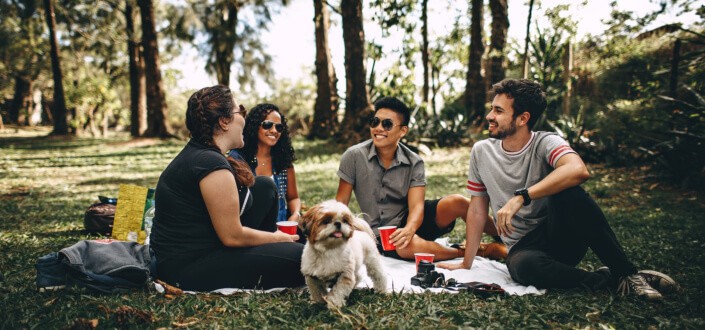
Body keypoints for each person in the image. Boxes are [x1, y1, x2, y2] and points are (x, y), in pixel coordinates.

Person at [437, 79, 676, 300]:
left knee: (570, 191)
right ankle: (611, 280)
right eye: (492, 108)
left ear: (523, 118)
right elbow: (478, 210)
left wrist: (522, 196)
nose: (490, 115)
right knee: (524, 267)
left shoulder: (546, 142)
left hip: (561, 235)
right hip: (524, 249)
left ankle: (627, 273)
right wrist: (466, 263)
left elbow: (578, 170)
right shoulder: (481, 151)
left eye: (499, 111)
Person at [150, 85, 304, 291]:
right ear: (224, 121)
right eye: (240, 110)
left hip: (208, 246)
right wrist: (278, 238)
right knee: (305, 259)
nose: (244, 117)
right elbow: (232, 236)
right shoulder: (210, 164)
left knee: (265, 186)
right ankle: (275, 251)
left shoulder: (204, 154)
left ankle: (272, 251)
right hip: (188, 266)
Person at [335, 96, 505, 261]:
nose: (378, 128)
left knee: (458, 202)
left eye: (386, 124)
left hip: (412, 220)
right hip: (381, 234)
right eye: (375, 122)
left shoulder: (414, 162)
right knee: (406, 246)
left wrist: (409, 229)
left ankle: (506, 237)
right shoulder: (354, 156)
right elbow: (340, 203)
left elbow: (417, 207)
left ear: (403, 130)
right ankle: (478, 251)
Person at [228, 103, 301, 223]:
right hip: (250, 230)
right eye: (267, 125)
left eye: (279, 127)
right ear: (255, 126)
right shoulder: (237, 159)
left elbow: (293, 197)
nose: (274, 131)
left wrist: (296, 214)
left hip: (281, 229)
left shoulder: (283, 160)